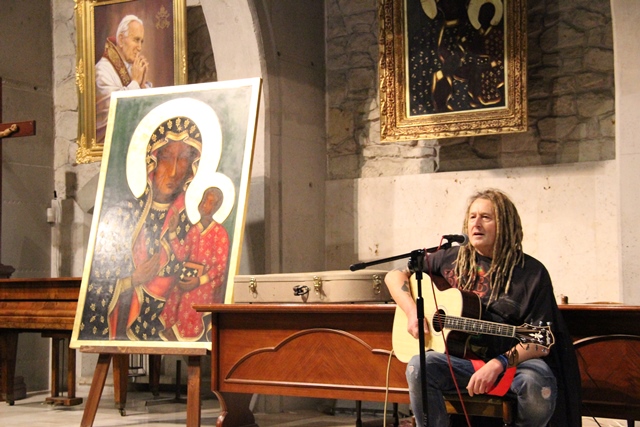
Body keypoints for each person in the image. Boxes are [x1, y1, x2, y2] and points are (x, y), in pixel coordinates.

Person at [385, 189, 581, 427]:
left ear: (505, 224)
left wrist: (498, 363)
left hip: (513, 364)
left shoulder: (531, 273)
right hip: (462, 362)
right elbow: (394, 276)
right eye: (472, 217)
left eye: (486, 217)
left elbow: (539, 342)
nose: (476, 223)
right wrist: (412, 311)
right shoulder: (449, 258)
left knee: (536, 383)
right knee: (419, 366)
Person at [77, 116, 202, 342]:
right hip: (125, 321)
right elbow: (98, 286)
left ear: (192, 169)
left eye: (183, 159)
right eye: (166, 158)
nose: (173, 171)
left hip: (169, 327)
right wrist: (132, 279)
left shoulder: (190, 223)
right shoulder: (122, 215)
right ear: (152, 162)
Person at [159, 186, 230, 342]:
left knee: (190, 298)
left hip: (209, 282)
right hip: (191, 276)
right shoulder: (194, 230)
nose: (204, 205)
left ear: (216, 208)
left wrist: (199, 280)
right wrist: (172, 232)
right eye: (204, 200)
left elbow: (220, 267)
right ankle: (173, 330)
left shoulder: (220, 233)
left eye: (210, 203)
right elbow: (182, 254)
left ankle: (181, 333)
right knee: (175, 291)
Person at [95, 15, 151, 144]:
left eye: (141, 41)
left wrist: (142, 85)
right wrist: (135, 83)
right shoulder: (101, 71)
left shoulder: (131, 69)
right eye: (136, 40)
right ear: (121, 40)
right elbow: (113, 113)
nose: (139, 47)